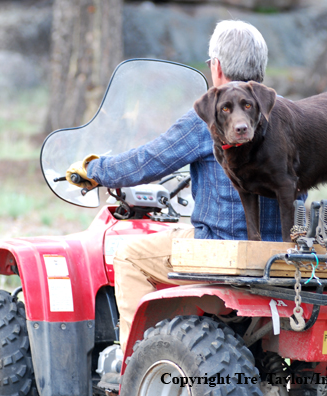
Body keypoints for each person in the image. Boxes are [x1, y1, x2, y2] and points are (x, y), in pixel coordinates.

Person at [66, 20, 283, 354]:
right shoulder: (281, 111)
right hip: (280, 251)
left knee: (128, 256)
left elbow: (146, 162)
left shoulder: (213, 113)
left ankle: (138, 361)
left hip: (221, 247)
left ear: (217, 66)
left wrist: (95, 169)